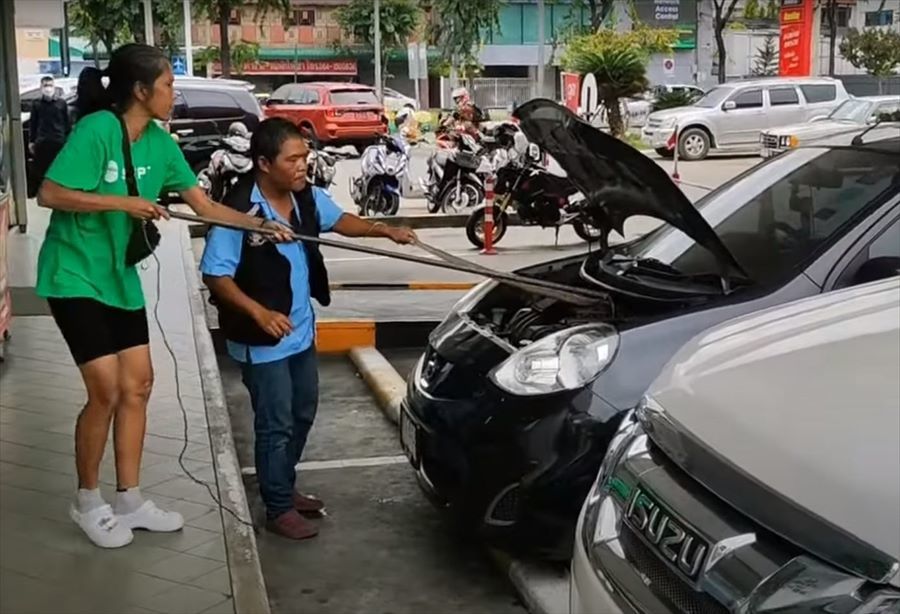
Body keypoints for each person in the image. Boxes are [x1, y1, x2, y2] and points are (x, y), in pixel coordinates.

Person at [35, 44, 293, 549]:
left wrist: (261, 224)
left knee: (140, 385)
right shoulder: (98, 131)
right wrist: (124, 202)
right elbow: (50, 194)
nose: (175, 94)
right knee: (105, 390)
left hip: (118, 277)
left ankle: (129, 498)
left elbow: (205, 206)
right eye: (169, 85)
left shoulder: (161, 143)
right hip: (73, 275)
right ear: (140, 90)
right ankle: (87, 499)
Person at [200, 118, 416, 540]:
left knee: (303, 411)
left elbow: (341, 221)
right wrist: (259, 313)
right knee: (275, 421)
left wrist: (386, 232)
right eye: (292, 159)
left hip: (299, 330)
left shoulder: (306, 199)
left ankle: (283, 484)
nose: (303, 166)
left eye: (305, 157)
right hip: (263, 339)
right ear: (263, 163)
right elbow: (215, 276)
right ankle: (277, 507)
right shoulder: (239, 212)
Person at [28, 76, 71, 197]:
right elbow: (33, 123)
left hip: (58, 140)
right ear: (41, 87)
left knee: (58, 167)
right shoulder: (36, 104)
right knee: (41, 169)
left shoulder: (61, 103)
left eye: (50, 85)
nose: (48, 88)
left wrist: (68, 139)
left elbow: (66, 122)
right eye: (45, 85)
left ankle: (59, 191)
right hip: (42, 141)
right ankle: (41, 192)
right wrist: (31, 141)